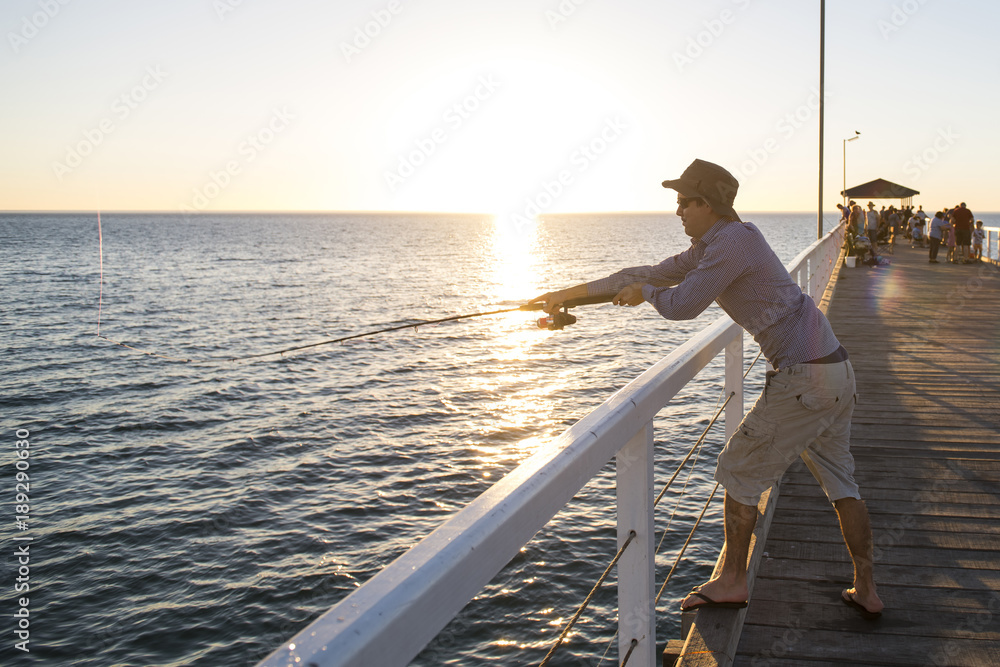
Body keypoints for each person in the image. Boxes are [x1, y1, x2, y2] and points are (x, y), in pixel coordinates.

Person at [530, 159, 884, 618]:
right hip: (834, 370)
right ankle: (867, 590)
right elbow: (650, 273)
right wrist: (568, 295)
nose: (677, 211)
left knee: (737, 470)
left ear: (708, 204)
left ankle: (734, 581)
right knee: (842, 482)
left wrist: (646, 294)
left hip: (805, 378)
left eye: (683, 202)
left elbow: (681, 304)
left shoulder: (731, 243)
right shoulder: (718, 243)